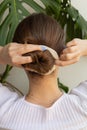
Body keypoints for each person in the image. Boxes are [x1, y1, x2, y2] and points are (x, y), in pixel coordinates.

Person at [0, 13, 87, 130]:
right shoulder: (82, 107)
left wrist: (1, 54)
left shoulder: (4, 110)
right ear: (62, 51)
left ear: (18, 58)